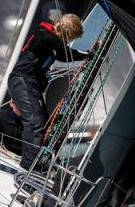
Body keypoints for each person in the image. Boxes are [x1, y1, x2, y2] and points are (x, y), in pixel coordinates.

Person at [7, 14, 92, 170]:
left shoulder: (51, 41)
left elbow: (62, 53)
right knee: (35, 123)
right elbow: (66, 54)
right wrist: (89, 54)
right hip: (22, 80)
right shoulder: (46, 37)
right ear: (67, 32)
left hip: (31, 84)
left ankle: (36, 161)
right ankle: (28, 167)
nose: (68, 41)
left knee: (45, 126)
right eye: (71, 37)